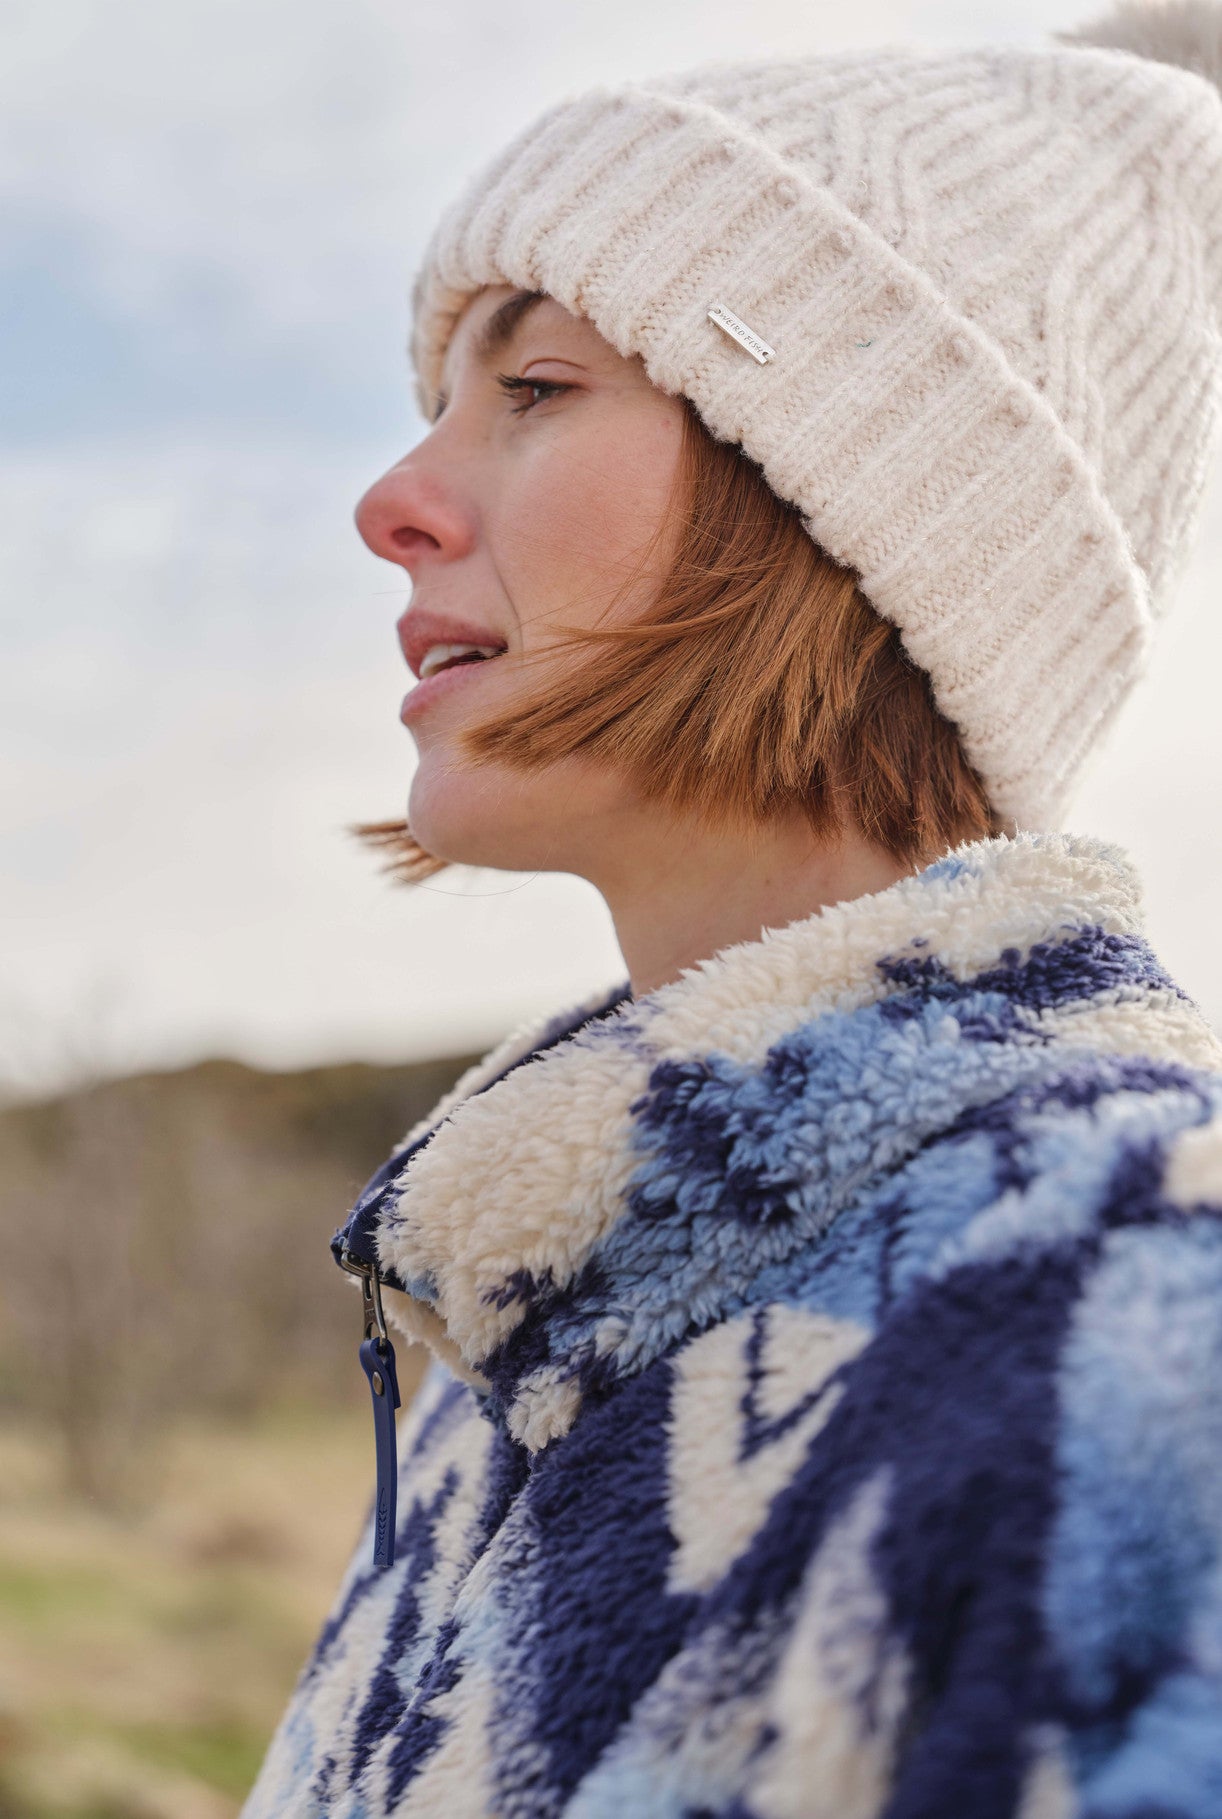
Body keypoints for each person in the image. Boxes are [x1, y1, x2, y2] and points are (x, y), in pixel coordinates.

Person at [244, 4, 1222, 1814]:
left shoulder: (1146, 1304)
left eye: (538, 389)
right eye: (435, 407)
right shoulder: (512, 1345)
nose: (392, 501)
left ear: (859, 504)